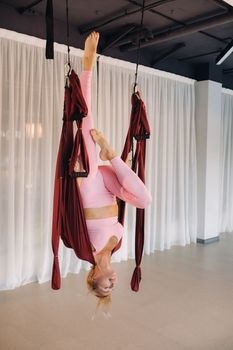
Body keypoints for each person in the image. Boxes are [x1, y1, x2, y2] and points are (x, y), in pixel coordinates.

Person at [75, 31, 152, 308]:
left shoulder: (85, 250)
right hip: (110, 187)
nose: (112, 284)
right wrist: (119, 172)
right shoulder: (118, 244)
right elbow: (129, 203)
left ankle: (87, 66)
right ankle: (114, 157)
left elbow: (69, 221)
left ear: (94, 277)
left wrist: (72, 179)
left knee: (86, 125)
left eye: (105, 287)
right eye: (113, 288)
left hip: (89, 185)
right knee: (145, 200)